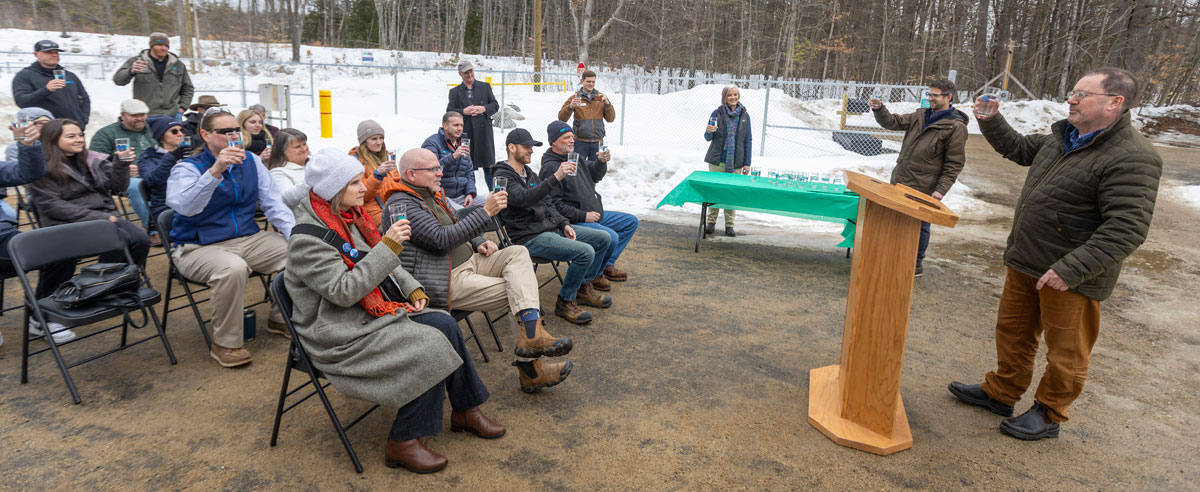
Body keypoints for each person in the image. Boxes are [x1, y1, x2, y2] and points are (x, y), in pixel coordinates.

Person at [948, 68, 1162, 441]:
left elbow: (1126, 228)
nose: (1071, 100)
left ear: (1115, 103)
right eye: (1072, 92)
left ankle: (1049, 413)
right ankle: (1001, 392)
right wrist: (992, 121)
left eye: (1082, 94)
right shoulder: (1063, 136)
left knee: (1066, 352)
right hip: (1028, 259)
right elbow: (1018, 148)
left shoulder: (1134, 156)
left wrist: (1070, 269)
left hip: (1073, 275)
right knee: (1013, 333)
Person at [286, 149, 503, 474]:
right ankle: (403, 440)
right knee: (429, 344)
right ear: (333, 190)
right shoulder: (307, 239)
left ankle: (466, 410)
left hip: (366, 313)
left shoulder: (350, 218)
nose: (364, 187)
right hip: (337, 332)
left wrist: (412, 287)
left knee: (444, 323)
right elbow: (344, 292)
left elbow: (383, 260)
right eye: (354, 183)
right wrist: (388, 246)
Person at [379, 148, 574, 393]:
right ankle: (531, 369)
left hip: (469, 261)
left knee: (517, 253)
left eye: (439, 167)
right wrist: (486, 212)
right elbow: (441, 239)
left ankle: (532, 337)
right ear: (411, 174)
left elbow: (456, 223)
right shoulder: (402, 204)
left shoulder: (430, 193)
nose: (440, 173)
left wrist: (478, 241)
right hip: (444, 278)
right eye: (433, 169)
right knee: (519, 293)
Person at [166, 107, 295, 368]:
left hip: (246, 238)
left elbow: (273, 204)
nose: (233, 135)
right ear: (205, 135)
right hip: (195, 246)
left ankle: (280, 317)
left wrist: (295, 235)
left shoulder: (251, 161)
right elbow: (187, 207)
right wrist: (216, 170)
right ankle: (225, 343)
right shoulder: (187, 168)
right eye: (225, 131)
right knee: (232, 269)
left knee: (301, 252)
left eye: (236, 130)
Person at [27, 119, 152, 342]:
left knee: (139, 240)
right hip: (64, 224)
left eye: (80, 135)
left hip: (103, 216)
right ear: (53, 140)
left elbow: (117, 187)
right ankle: (40, 316)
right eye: (71, 136)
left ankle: (110, 285)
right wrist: (99, 218)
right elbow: (52, 206)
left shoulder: (91, 159)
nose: (79, 140)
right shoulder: (40, 166)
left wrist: (121, 164)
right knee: (61, 260)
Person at [491, 129, 613, 325]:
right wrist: (556, 177)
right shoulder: (502, 177)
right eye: (526, 147)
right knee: (585, 252)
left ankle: (583, 287)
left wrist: (564, 224)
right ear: (511, 148)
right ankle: (565, 301)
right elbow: (523, 198)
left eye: (532, 147)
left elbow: (548, 202)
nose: (531, 150)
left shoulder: (528, 173)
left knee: (604, 238)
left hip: (550, 228)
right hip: (529, 237)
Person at [868, 79, 968, 277]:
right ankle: (895, 257)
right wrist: (879, 109)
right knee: (896, 221)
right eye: (929, 94)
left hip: (924, 187)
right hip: (901, 181)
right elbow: (893, 122)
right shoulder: (920, 115)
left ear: (948, 97)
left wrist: (940, 190)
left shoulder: (955, 127)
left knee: (919, 226)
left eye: (935, 95)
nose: (930, 98)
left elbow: (954, 163)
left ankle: (914, 264)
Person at [0, 122, 75, 346]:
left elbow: (28, 173)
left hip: (3, 236)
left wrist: (27, 145)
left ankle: (42, 315)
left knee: (62, 250)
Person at [539, 121, 636, 289]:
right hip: (575, 220)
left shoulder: (575, 157)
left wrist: (601, 162)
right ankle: (591, 278)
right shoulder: (551, 167)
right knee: (611, 236)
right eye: (566, 137)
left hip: (594, 212)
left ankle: (606, 264)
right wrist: (583, 216)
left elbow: (595, 175)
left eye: (572, 136)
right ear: (554, 141)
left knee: (630, 222)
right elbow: (554, 205)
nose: (572, 140)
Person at [89, 99, 157, 244]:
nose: (139, 118)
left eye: (142, 115)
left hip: (155, 171)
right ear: (123, 115)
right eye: (134, 115)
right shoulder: (106, 134)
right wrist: (120, 167)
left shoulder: (153, 129)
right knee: (136, 187)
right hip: (124, 178)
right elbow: (94, 162)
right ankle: (154, 230)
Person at [702, 85, 752, 237]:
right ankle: (711, 222)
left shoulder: (744, 116)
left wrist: (747, 163)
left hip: (736, 162)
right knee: (715, 191)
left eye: (735, 94)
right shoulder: (717, 113)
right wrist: (708, 131)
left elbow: (748, 140)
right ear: (724, 97)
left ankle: (729, 225)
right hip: (717, 161)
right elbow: (708, 137)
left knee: (731, 193)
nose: (733, 97)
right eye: (730, 95)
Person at [112, 32, 194, 120]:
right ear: (151, 46)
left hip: (172, 115)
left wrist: (182, 108)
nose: (163, 48)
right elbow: (118, 80)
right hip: (144, 115)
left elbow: (188, 88)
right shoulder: (138, 61)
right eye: (159, 45)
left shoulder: (177, 64)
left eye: (166, 46)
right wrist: (130, 71)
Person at [12, 40, 91, 129]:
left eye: (56, 52)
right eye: (48, 52)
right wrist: (46, 90)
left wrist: (83, 119)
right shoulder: (25, 76)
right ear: (36, 54)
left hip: (74, 129)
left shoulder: (70, 76)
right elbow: (22, 102)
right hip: (47, 131)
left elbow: (85, 99)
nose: (54, 55)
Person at [446, 61, 498, 188]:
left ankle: (495, 193)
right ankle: (470, 193)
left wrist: (483, 109)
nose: (469, 75)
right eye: (466, 73)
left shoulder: (485, 87)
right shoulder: (455, 92)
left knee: (489, 167)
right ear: (460, 74)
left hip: (484, 132)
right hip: (466, 133)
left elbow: (495, 105)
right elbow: (449, 111)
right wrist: (464, 111)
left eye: (471, 71)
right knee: (467, 166)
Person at [137, 116, 190, 223]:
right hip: (166, 206)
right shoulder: (148, 157)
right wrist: (172, 157)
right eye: (174, 131)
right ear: (161, 136)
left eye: (182, 130)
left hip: (191, 202)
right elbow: (151, 181)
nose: (180, 134)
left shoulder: (188, 153)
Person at [3, 107, 53, 221]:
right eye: (38, 123)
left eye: (48, 122)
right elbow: (22, 176)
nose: (44, 126)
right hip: (39, 191)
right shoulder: (15, 148)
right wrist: (28, 145)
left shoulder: (61, 142)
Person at [557, 69, 616, 162]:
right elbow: (561, 118)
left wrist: (607, 103)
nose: (591, 84)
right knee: (577, 168)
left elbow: (611, 118)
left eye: (593, 82)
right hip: (580, 142)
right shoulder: (575, 98)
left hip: (597, 142)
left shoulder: (601, 97)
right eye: (588, 81)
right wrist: (570, 106)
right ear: (582, 81)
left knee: (597, 169)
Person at [420, 111, 476, 207]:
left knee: (493, 204)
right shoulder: (432, 143)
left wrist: (470, 193)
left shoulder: (463, 143)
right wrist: (453, 157)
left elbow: (469, 172)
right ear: (445, 126)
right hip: (441, 196)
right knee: (463, 212)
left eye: (461, 125)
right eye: (456, 125)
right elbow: (430, 171)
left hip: (462, 195)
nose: (460, 129)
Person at [351, 119, 396, 225]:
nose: (379, 142)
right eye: (374, 139)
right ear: (364, 141)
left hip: (392, 208)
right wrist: (377, 175)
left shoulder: (386, 157)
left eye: (381, 138)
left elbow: (396, 185)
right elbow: (362, 196)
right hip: (373, 213)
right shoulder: (355, 162)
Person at [265, 128, 310, 208]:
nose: (304, 149)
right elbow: (286, 200)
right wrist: (311, 181)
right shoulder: (278, 172)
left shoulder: (314, 164)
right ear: (282, 151)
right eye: (297, 147)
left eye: (304, 144)